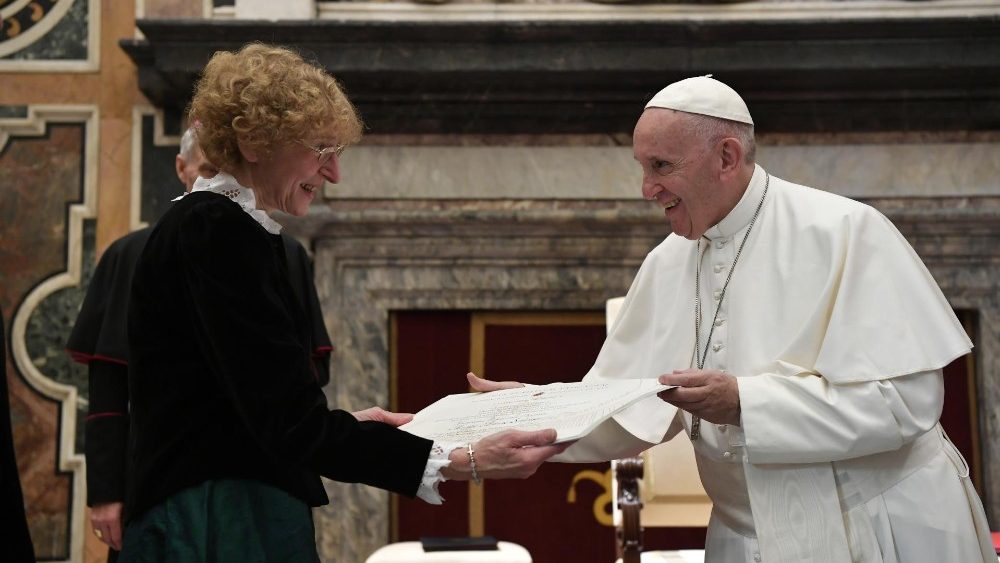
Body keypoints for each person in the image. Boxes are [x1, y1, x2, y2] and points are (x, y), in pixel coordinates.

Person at [473, 76, 994, 562]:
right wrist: (529, 412)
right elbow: (627, 408)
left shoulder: (846, 231)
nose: (646, 188)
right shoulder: (668, 262)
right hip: (745, 540)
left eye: (661, 166)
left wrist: (745, 402)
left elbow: (906, 404)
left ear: (726, 156)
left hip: (878, 527)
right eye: (643, 166)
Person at [118, 43, 565, 561]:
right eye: (320, 150)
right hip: (220, 517)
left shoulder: (215, 226)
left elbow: (238, 409)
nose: (333, 175)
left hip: (225, 501)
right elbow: (283, 425)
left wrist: (345, 427)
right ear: (252, 141)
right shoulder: (216, 228)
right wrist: (461, 458)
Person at [66, 127, 333, 558]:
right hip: (171, 476)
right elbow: (110, 386)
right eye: (209, 171)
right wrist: (106, 493)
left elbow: (304, 368)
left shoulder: (283, 251)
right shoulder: (134, 252)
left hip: (262, 474)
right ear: (181, 169)